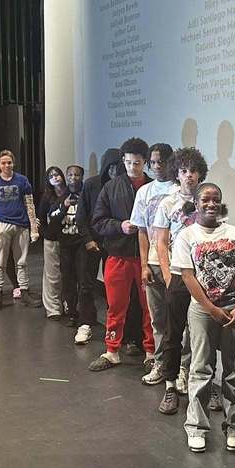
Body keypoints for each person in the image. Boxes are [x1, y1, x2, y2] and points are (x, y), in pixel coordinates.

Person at [173, 182, 235, 453]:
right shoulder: (187, 235)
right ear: (196, 202)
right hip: (202, 310)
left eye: (216, 199)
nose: (211, 204)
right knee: (201, 368)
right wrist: (210, 308)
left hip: (234, 309)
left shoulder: (234, 233)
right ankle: (196, 426)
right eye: (206, 199)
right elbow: (187, 276)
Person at [88, 137, 155, 372]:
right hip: (118, 255)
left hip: (148, 258)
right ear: (122, 162)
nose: (132, 168)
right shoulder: (111, 187)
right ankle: (112, 350)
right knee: (115, 305)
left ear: (144, 162)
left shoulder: (154, 189)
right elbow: (97, 221)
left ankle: (151, 352)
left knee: (150, 307)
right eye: (128, 163)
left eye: (137, 163)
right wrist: (120, 226)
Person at [148, 147, 206, 414]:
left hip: (204, 278)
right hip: (178, 277)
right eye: (184, 171)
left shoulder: (209, 199)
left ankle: (204, 385)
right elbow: (160, 241)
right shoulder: (167, 203)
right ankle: (170, 386)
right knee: (173, 333)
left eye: (193, 171)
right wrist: (169, 275)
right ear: (177, 173)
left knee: (204, 334)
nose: (189, 176)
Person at [132, 143, 176, 382]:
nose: (158, 166)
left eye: (163, 161)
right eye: (154, 162)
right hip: (153, 263)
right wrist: (144, 266)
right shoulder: (144, 192)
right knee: (157, 318)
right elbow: (141, 230)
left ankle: (181, 368)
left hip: (178, 264)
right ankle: (160, 364)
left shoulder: (181, 189)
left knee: (181, 321)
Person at [0, 149, 41, 310]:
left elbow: (29, 204)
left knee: (21, 262)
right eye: (3, 163)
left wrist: (34, 228)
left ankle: (24, 292)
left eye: (9, 162)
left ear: (13, 163)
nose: (7, 165)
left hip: (21, 225)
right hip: (2, 224)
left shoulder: (22, 180)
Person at [74, 148, 121, 345]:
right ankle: (86, 322)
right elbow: (81, 215)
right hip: (91, 241)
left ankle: (117, 328)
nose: (113, 171)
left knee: (116, 287)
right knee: (86, 284)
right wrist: (87, 240)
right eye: (110, 167)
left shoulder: (123, 186)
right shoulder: (92, 184)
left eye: (117, 167)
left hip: (115, 243)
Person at [48, 165, 88, 328]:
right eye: (70, 174)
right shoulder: (60, 195)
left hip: (82, 244)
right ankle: (72, 312)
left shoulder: (87, 194)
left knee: (84, 280)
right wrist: (63, 206)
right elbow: (52, 217)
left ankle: (86, 314)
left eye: (77, 175)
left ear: (82, 177)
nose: (73, 178)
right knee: (68, 279)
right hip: (65, 244)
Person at [37, 166, 68, 322]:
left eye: (57, 174)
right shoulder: (47, 197)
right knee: (52, 275)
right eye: (51, 176)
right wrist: (45, 233)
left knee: (67, 274)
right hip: (51, 239)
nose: (55, 177)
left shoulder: (70, 194)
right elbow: (41, 218)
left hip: (68, 239)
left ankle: (67, 303)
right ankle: (53, 307)